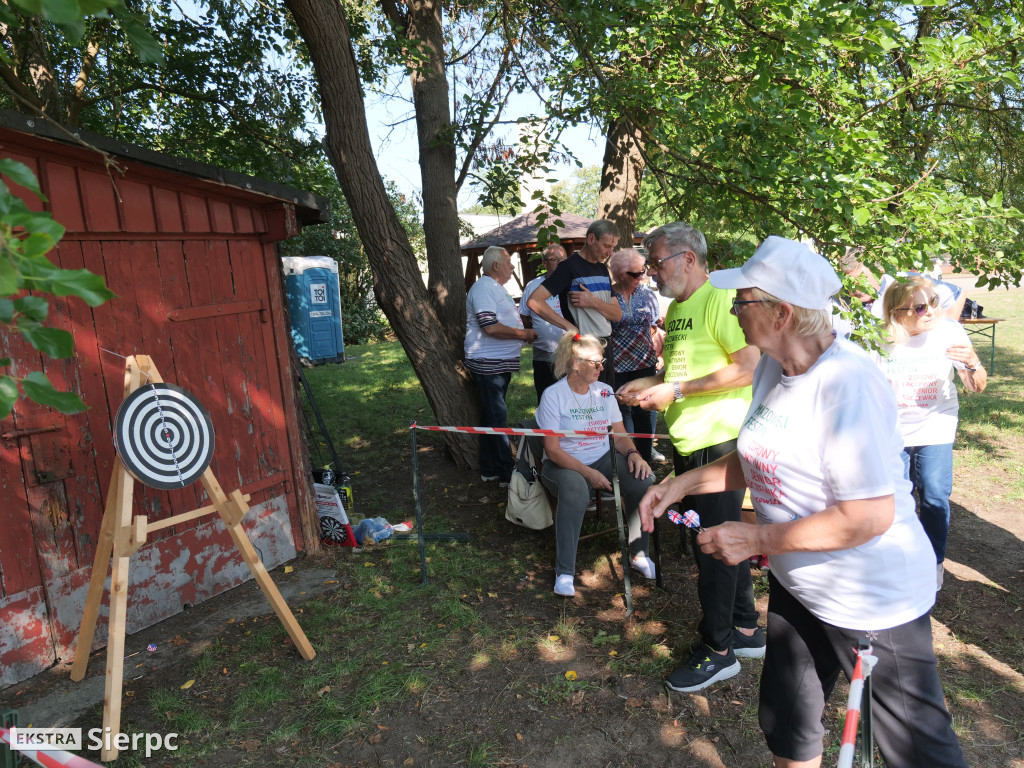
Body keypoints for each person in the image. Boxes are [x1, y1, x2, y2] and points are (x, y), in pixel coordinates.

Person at [639, 235, 966, 768]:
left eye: (740, 301)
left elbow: (868, 516)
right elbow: (760, 455)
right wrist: (680, 484)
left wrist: (756, 538)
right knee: (788, 728)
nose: (732, 310)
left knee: (920, 750)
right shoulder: (773, 366)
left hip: (870, 600)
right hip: (801, 587)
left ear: (781, 313)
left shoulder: (847, 383)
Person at [616, 221, 762, 692]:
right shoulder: (679, 306)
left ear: (689, 259)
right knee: (720, 540)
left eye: (657, 263)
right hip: (689, 441)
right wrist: (653, 381)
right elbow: (686, 365)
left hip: (718, 441)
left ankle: (719, 651)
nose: (652, 273)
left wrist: (675, 389)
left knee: (713, 548)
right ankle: (744, 629)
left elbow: (748, 368)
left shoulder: (720, 297)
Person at [877, 276, 987, 589]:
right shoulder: (879, 339)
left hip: (936, 423)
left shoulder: (949, 332)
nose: (931, 312)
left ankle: (933, 564)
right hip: (892, 430)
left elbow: (976, 386)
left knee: (936, 495)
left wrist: (973, 364)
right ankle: (898, 564)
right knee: (895, 500)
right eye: (921, 307)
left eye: (934, 303)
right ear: (898, 312)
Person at [536, 333, 655, 596]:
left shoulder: (603, 391)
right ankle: (565, 571)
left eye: (602, 362)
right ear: (576, 364)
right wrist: (588, 473)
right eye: (596, 363)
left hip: (602, 457)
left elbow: (620, 434)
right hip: (564, 464)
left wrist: (634, 454)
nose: (603, 368)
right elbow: (552, 450)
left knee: (642, 480)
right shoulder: (554, 395)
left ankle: (639, 554)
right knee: (577, 490)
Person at [464, 246, 538, 484]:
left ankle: (490, 468)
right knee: (497, 418)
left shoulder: (493, 288)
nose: (512, 267)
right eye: (509, 262)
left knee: (491, 417)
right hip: (489, 364)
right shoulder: (484, 287)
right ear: (496, 265)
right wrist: (522, 333)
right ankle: (508, 472)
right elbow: (490, 326)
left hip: (496, 363)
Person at [525, 219, 623, 384]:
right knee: (585, 403)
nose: (610, 252)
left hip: (606, 345)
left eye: (613, 247)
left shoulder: (602, 269)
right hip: (584, 348)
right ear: (591, 239)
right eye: (607, 246)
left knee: (605, 399)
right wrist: (569, 327)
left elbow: (617, 315)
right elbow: (534, 301)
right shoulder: (568, 267)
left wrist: (592, 301)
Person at [608, 248, 661, 463]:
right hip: (618, 365)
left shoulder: (647, 294)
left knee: (644, 411)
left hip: (644, 363)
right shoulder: (608, 295)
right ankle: (629, 461)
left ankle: (645, 460)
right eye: (635, 274)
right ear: (620, 274)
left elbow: (655, 325)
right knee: (621, 413)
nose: (642, 277)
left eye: (643, 272)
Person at [520, 243, 568, 400]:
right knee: (545, 395)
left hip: (570, 351)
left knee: (569, 396)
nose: (560, 263)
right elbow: (524, 316)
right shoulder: (533, 286)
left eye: (563, 259)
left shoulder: (573, 283)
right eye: (555, 259)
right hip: (543, 352)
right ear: (544, 262)